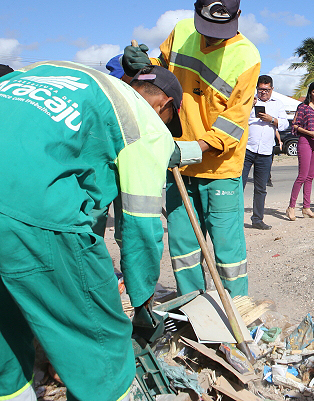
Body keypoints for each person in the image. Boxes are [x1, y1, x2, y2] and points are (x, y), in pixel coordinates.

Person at [0, 61, 181, 401]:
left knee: (5, 332)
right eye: (171, 122)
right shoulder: (147, 127)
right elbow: (141, 228)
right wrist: (141, 301)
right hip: (32, 210)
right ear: (164, 105)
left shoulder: (53, 71)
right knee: (102, 346)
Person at [122, 0, 261, 298]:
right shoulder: (181, 32)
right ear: (196, 11)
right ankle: (193, 309)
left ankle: (237, 313)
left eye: (221, 30)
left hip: (219, 170)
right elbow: (162, 74)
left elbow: (234, 121)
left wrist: (188, 150)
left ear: (238, 15)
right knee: (183, 250)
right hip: (178, 168)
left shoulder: (247, 56)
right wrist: (142, 66)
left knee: (228, 255)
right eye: (208, 27)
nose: (212, 37)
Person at [242, 75, 289, 230]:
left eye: (266, 90)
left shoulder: (278, 104)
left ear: (272, 89)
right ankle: (234, 218)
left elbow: (284, 124)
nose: (263, 93)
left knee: (261, 188)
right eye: (261, 89)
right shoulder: (249, 101)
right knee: (238, 185)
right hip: (247, 149)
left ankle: (257, 219)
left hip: (265, 152)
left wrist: (271, 119)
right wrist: (250, 106)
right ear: (257, 88)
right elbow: (238, 118)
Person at [287, 82, 314, 220]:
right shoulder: (303, 107)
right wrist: (310, 133)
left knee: (310, 177)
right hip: (305, 141)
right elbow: (295, 126)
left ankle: (306, 207)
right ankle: (291, 207)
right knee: (302, 176)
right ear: (310, 93)